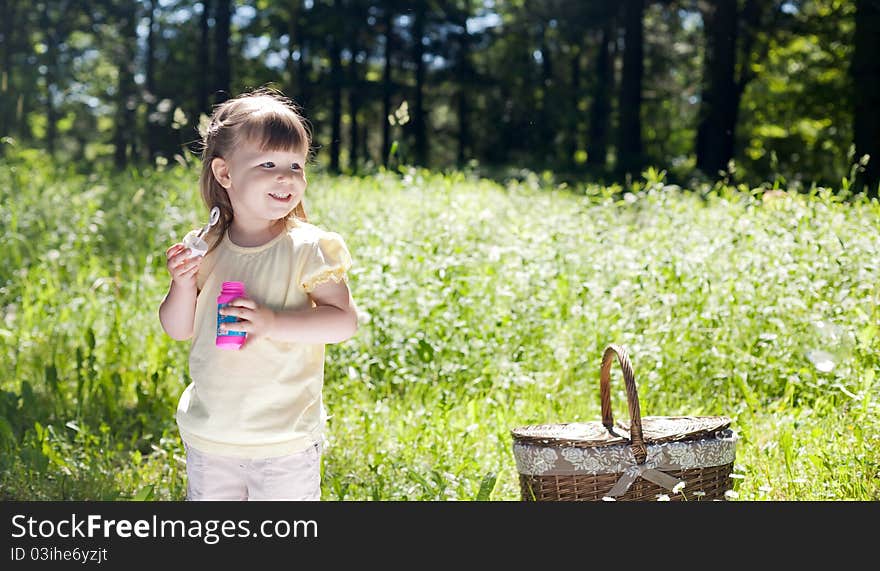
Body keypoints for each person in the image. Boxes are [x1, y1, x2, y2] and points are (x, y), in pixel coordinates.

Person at [158, 87, 358, 501]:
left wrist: (271, 322)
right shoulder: (205, 246)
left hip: (283, 440)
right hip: (212, 436)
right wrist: (181, 284)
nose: (286, 176)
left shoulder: (309, 247)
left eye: (296, 165)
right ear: (225, 173)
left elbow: (342, 322)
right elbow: (178, 329)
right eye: (268, 163)